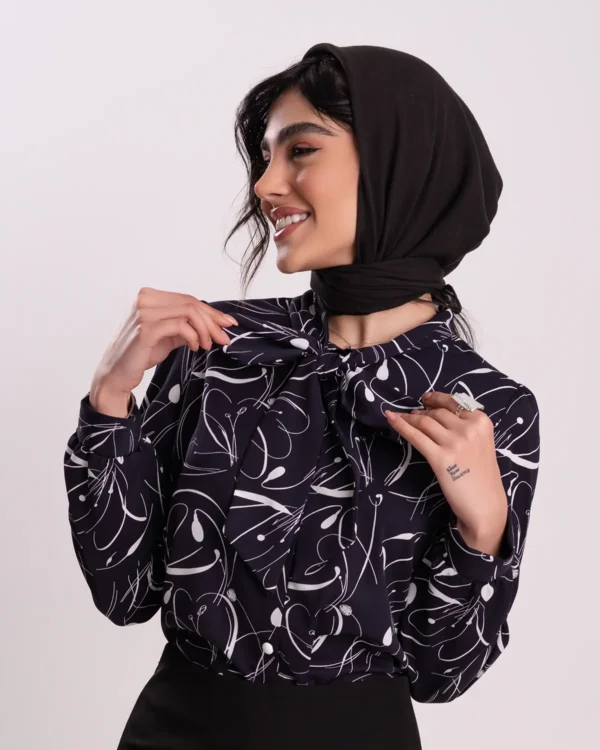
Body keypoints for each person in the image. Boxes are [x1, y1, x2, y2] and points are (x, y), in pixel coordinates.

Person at [63, 43, 541, 750]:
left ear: (399, 164)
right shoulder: (216, 346)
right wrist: (110, 397)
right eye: (264, 158)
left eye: (301, 150)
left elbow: (441, 675)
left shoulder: (492, 408)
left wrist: (484, 528)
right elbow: (124, 592)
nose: (265, 185)